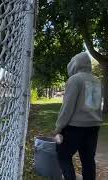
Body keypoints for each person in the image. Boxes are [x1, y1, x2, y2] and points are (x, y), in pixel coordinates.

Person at [54, 52, 102, 180]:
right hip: (94, 127)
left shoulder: (75, 80)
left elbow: (67, 107)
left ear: (75, 64)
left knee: (63, 154)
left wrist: (59, 127)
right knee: (88, 160)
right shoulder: (97, 81)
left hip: (75, 127)